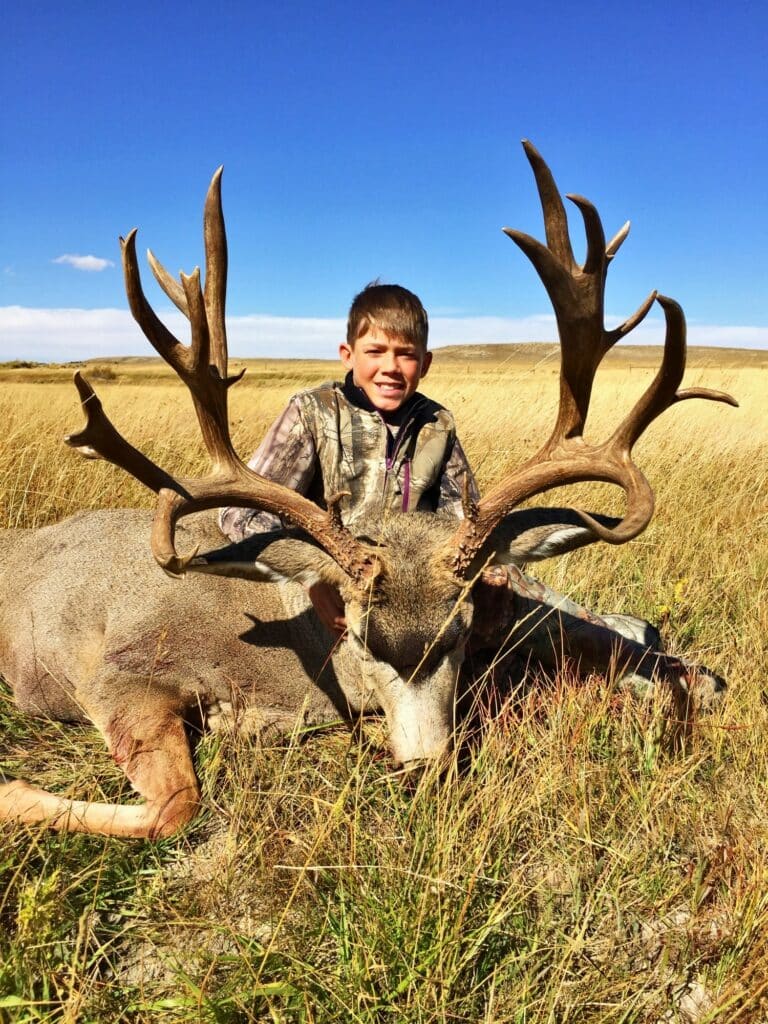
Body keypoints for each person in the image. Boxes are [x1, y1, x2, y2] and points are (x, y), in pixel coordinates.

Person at [219, 282, 724, 706]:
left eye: (405, 355)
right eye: (375, 352)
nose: (390, 367)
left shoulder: (436, 423)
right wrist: (317, 575)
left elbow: (468, 518)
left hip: (434, 587)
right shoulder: (312, 413)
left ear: (425, 362)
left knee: (529, 607)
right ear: (347, 355)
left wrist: (481, 574)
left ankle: (655, 668)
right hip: (355, 592)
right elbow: (240, 515)